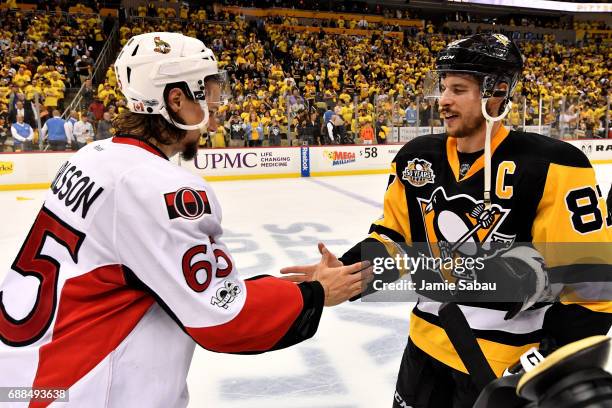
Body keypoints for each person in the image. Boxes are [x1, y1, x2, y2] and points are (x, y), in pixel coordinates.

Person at [0, 32, 372, 407]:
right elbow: (223, 319)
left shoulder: (91, 157)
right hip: (84, 393)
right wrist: (316, 293)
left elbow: (169, 282)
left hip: (27, 383)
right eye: (208, 93)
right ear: (175, 99)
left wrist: (288, 289)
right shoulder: (162, 188)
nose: (217, 105)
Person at [282, 33, 612, 408]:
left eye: (458, 89)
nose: (444, 101)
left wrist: (541, 370)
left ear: (497, 92)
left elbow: (591, 290)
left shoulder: (555, 166)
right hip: (424, 352)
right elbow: (396, 239)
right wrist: (346, 274)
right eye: (442, 88)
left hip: (505, 367)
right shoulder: (417, 157)